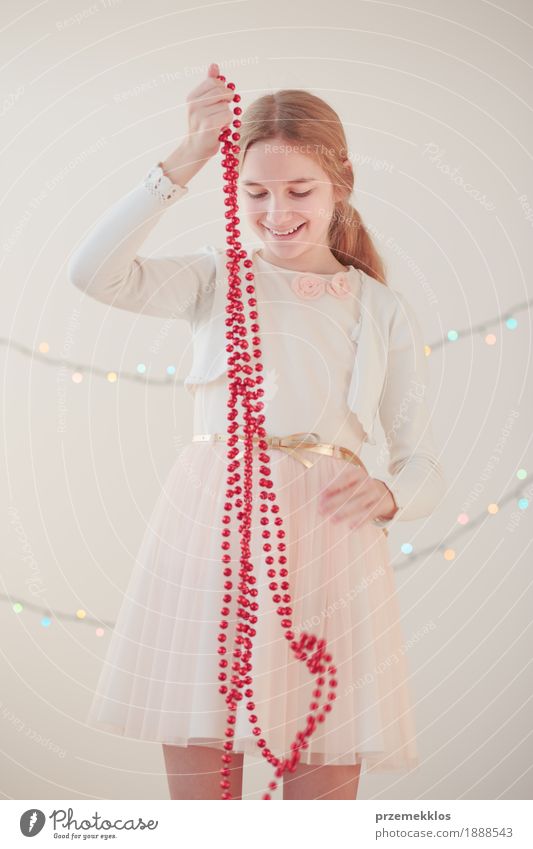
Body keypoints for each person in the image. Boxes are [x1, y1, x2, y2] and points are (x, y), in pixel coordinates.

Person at [68, 62, 446, 800]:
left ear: (340, 183)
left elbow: (420, 457)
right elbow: (93, 273)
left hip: (330, 546)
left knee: (322, 781)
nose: (276, 211)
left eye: (298, 190)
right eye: (256, 192)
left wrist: (391, 493)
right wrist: (184, 158)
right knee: (205, 787)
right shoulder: (216, 278)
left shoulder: (377, 307)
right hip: (216, 532)